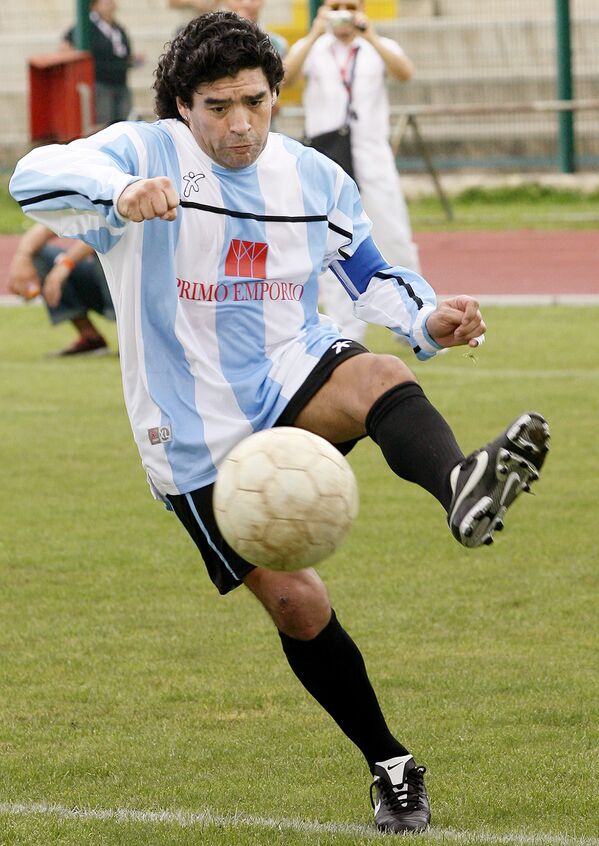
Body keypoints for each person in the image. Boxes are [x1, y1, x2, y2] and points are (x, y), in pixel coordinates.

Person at [10, 13, 550, 834]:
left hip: (290, 367)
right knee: (298, 603)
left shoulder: (311, 178)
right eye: (218, 106)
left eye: (256, 103)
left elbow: (369, 275)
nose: (240, 124)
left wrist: (429, 316)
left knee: (379, 371)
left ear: (275, 98)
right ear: (183, 107)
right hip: (190, 429)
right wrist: (119, 193)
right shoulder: (143, 153)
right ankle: (390, 763)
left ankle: (459, 487)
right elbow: (36, 174)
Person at [284, 0, 419, 342]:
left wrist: (369, 36)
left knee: (395, 236)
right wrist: (316, 32)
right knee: (331, 241)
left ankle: (414, 321)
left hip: (371, 152)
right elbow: (285, 79)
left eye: (350, 5)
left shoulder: (378, 46)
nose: (343, 12)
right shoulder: (312, 47)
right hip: (329, 156)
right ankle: (347, 331)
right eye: (335, 5)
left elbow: (405, 73)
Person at [8, 223, 114, 356]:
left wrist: (66, 263)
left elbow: (107, 231)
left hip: (134, 284)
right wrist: (21, 258)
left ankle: (134, 339)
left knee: (106, 252)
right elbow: (44, 226)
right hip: (102, 286)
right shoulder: (82, 202)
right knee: (38, 253)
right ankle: (91, 339)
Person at [61, 0, 137, 127]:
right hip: (101, 82)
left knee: (124, 123)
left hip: (120, 81)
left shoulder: (117, 28)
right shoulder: (88, 26)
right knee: (104, 123)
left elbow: (124, 52)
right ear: (95, 5)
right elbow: (66, 44)